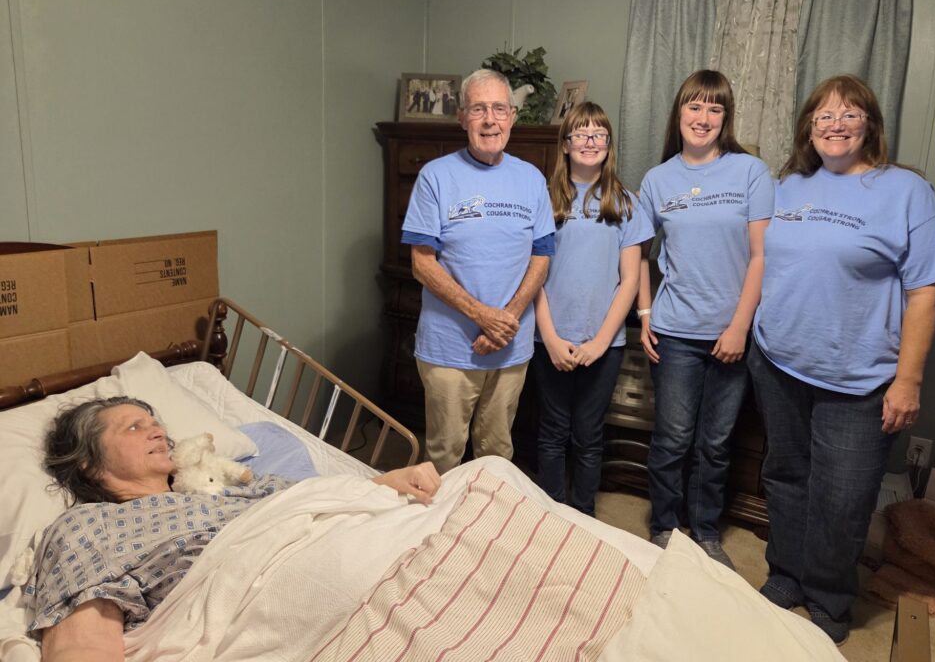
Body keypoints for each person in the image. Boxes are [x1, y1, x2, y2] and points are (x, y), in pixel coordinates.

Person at [748, 75, 935, 645]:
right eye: (824, 116)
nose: (836, 125)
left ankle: (830, 598)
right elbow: (763, 259)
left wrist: (906, 382)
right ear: (808, 128)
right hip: (779, 361)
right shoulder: (785, 185)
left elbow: (927, 290)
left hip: (858, 379)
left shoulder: (906, 192)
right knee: (785, 477)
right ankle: (785, 575)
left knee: (843, 499)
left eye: (850, 114)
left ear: (870, 125)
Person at [28, 396, 441, 662]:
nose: (159, 431)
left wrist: (392, 481)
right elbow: (81, 643)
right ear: (88, 461)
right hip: (288, 583)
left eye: (155, 422)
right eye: (133, 427)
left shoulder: (218, 485)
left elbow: (317, 497)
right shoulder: (87, 525)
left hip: (335, 541)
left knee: (487, 473)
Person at [637, 70, 773, 568]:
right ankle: (665, 528)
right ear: (679, 114)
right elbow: (637, 251)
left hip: (732, 335)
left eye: (714, 109)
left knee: (715, 444)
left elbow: (761, 257)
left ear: (725, 117)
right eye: (694, 106)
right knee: (672, 438)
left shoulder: (751, 173)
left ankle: (707, 530)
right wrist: (645, 312)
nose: (703, 117)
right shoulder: (658, 179)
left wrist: (739, 326)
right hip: (674, 334)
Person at [401, 68, 555, 474]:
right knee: (445, 456)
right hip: (450, 350)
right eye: (479, 109)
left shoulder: (532, 179)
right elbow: (421, 263)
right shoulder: (436, 176)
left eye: (499, 109)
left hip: (511, 348)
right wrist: (483, 316)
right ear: (462, 117)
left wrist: (506, 320)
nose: (490, 120)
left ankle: (483, 534)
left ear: (512, 117)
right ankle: (440, 536)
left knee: (497, 455)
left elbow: (542, 256)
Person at [532, 102, 653, 516]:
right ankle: (552, 514)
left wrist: (602, 341)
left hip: (604, 343)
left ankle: (582, 514)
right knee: (551, 432)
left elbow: (631, 280)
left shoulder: (625, 202)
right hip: (551, 339)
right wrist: (549, 337)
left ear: (608, 144)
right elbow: (533, 278)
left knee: (587, 435)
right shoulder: (544, 201)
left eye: (598, 134)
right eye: (580, 134)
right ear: (565, 145)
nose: (589, 142)